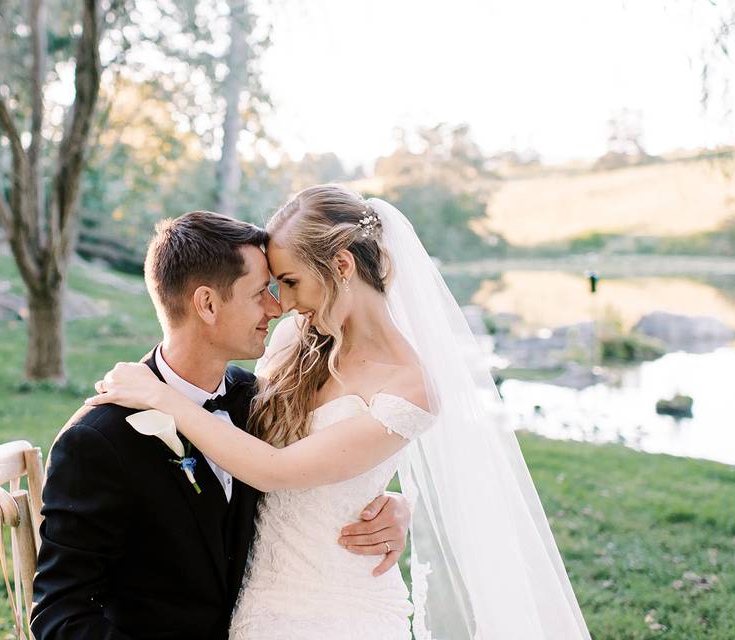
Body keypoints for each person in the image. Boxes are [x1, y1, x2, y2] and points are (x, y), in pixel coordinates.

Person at [88, 185, 592, 639]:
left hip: (343, 604)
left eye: (289, 281)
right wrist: (391, 500)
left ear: (342, 267)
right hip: (259, 597)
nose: (280, 303)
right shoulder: (293, 342)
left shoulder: (410, 387)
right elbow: (244, 436)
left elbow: (277, 469)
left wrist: (161, 397)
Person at [30, 210, 411, 640]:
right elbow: (60, 615)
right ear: (208, 304)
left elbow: (306, 474)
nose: (278, 307)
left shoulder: (257, 400)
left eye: (280, 287)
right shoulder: (99, 441)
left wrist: (386, 504)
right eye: (260, 293)